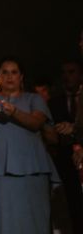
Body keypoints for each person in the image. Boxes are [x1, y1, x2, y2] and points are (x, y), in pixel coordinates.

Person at [0, 57, 59, 234]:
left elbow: (36, 123)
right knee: (0, 221)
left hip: (32, 167)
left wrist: (13, 111)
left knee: (35, 220)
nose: (9, 77)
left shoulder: (34, 99)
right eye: (4, 72)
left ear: (21, 76)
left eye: (14, 72)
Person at [48, 60, 83, 233]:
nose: (67, 76)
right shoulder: (54, 102)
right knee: (71, 209)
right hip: (64, 162)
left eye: (71, 72)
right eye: (64, 72)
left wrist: (74, 130)